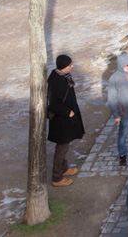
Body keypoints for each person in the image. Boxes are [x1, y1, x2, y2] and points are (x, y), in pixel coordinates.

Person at [48, 54, 85, 186]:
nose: (72, 66)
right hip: (61, 122)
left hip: (65, 120)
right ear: (65, 67)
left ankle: (64, 169)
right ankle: (56, 177)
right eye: (70, 65)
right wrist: (67, 112)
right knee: (61, 148)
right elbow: (53, 103)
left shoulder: (62, 76)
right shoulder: (56, 81)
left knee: (64, 146)